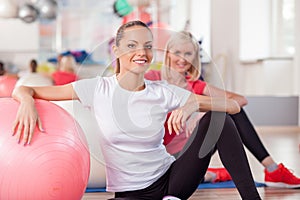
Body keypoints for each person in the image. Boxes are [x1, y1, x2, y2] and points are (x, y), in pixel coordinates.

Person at [12, 21, 261, 200]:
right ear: (117, 51)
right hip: (130, 193)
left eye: (148, 46)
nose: (141, 52)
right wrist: (26, 101)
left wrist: (195, 102)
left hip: (172, 181)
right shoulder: (97, 88)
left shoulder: (162, 91)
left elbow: (232, 106)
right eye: (132, 45)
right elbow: (25, 90)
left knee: (219, 119)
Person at [145, 30, 300, 188]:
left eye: (188, 53)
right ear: (168, 54)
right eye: (177, 52)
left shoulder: (197, 86)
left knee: (226, 112)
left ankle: (272, 169)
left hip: (187, 155)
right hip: (161, 157)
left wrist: (199, 113)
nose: (182, 59)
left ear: (195, 57)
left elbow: (240, 100)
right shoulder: (152, 78)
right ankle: (211, 175)